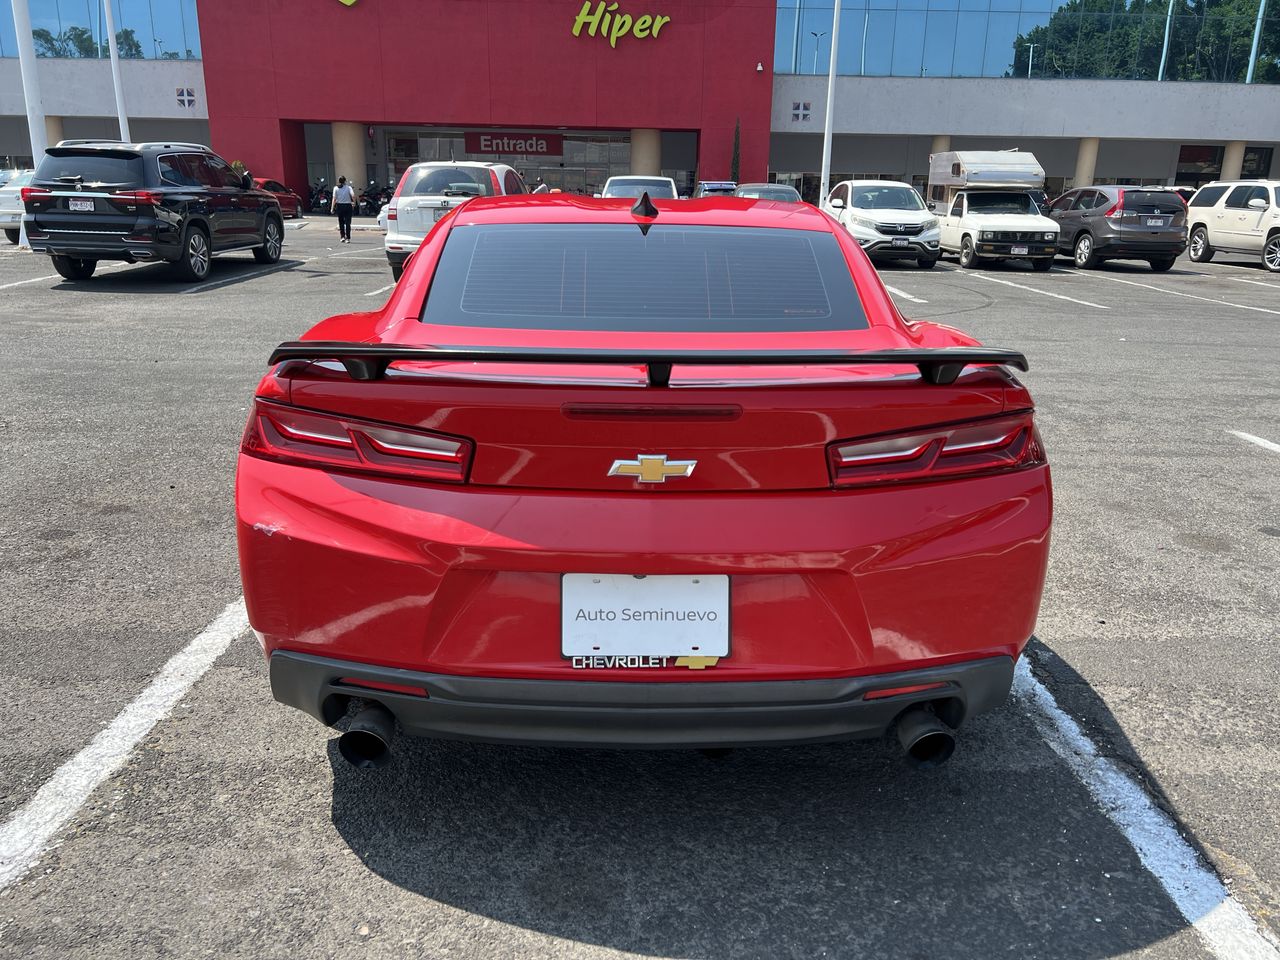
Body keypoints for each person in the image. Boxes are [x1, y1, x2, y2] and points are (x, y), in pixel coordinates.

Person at [330, 176, 355, 243]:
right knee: (347, 223)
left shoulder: (335, 188)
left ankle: (342, 237)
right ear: (345, 181)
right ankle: (348, 238)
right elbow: (353, 196)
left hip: (339, 206)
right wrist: (353, 203)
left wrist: (332, 208)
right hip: (347, 206)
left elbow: (334, 199)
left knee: (341, 222)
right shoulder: (348, 187)